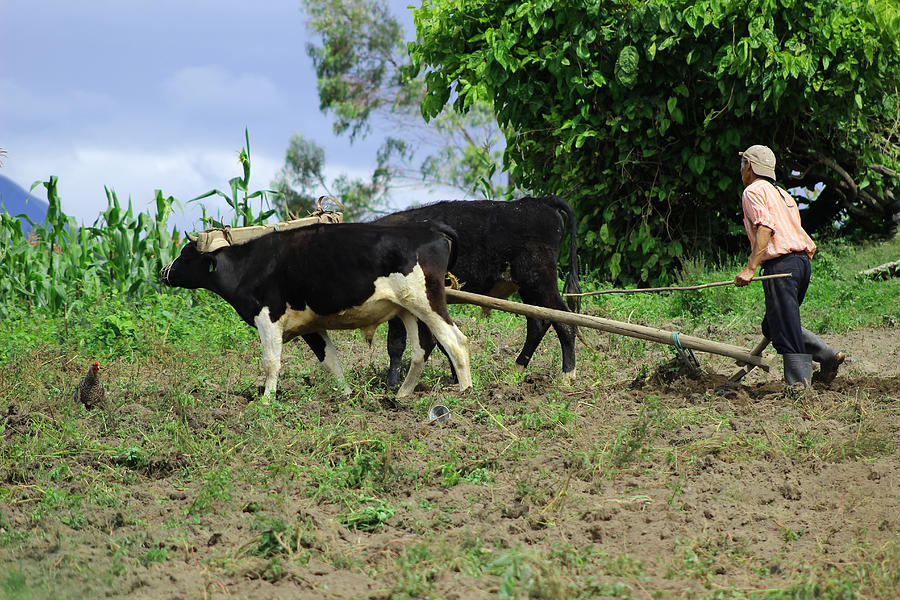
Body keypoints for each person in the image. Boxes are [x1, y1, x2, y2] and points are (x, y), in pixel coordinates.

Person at [734, 144, 845, 386]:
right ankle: (827, 355)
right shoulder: (783, 194)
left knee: (784, 329)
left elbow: (765, 227)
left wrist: (751, 268)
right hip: (801, 264)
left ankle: (798, 387)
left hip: (781, 266)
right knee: (774, 325)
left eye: (742, 165)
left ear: (749, 166)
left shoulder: (753, 191)